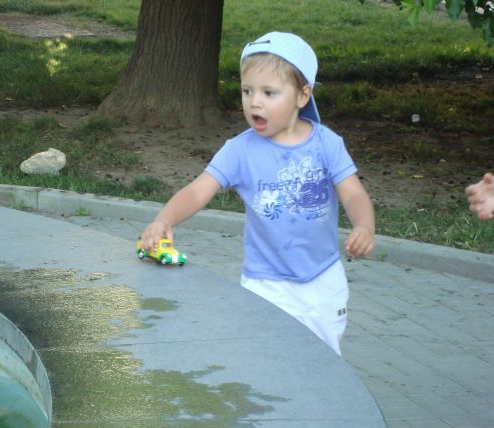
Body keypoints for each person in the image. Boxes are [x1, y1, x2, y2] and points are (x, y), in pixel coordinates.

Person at [140, 32, 375, 356]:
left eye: (269, 92)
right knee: (265, 363)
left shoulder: (327, 144)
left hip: (321, 282)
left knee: (322, 364)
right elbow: (197, 190)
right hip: (265, 284)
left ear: (302, 95)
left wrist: (364, 226)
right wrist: (164, 219)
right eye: (247, 91)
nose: (255, 102)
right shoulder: (239, 150)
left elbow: (353, 194)